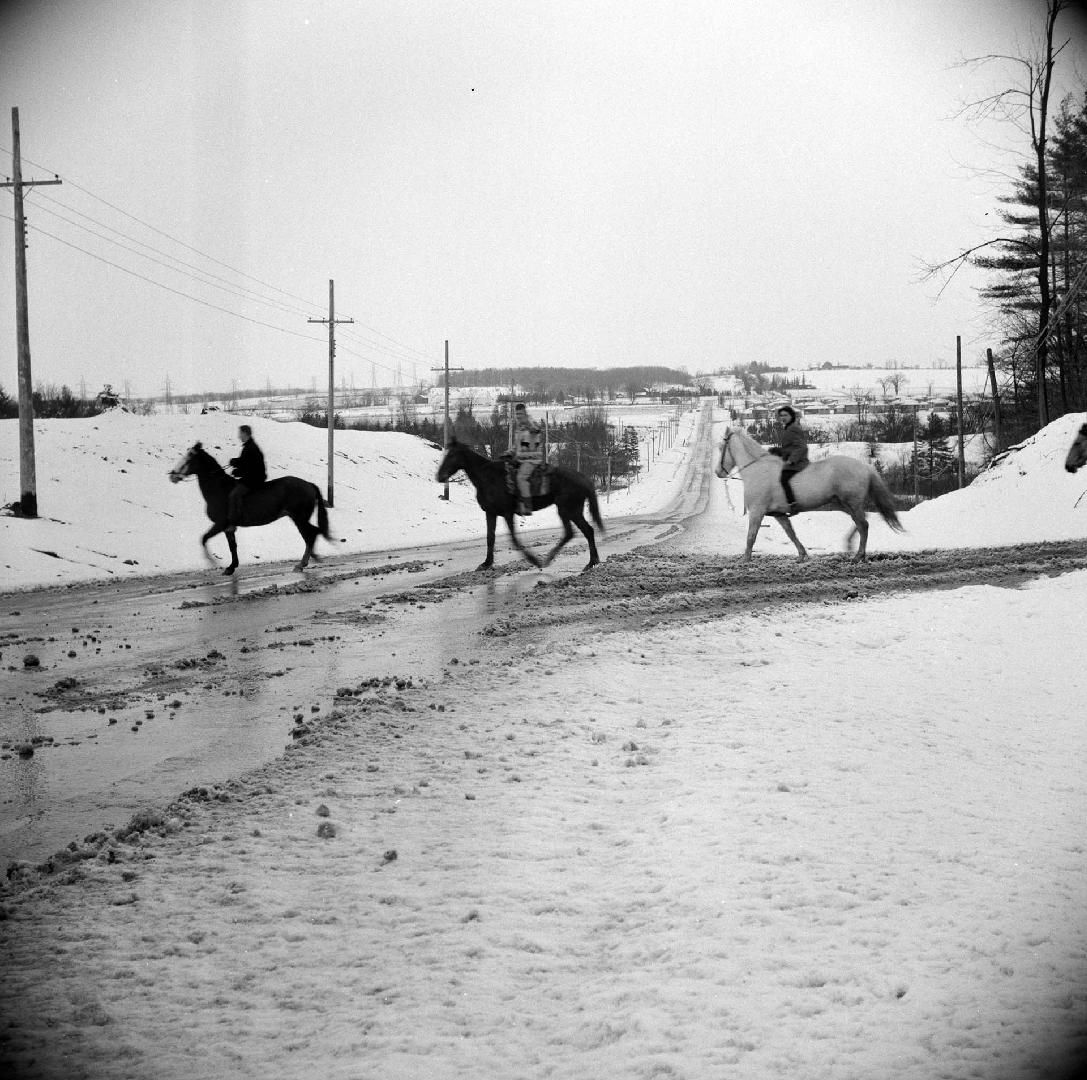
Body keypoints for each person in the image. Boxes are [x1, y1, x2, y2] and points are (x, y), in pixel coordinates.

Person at [226, 424, 267, 527]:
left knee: (234, 494)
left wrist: (237, 472)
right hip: (253, 477)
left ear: (245, 433)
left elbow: (250, 468)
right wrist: (235, 462)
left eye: (240, 433)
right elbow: (245, 462)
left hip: (254, 479)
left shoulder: (250, 448)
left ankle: (237, 519)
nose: (239, 436)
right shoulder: (249, 446)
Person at [511, 403, 545, 515]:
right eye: (516, 414)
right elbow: (517, 446)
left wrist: (530, 426)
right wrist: (510, 452)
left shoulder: (531, 422)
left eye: (520, 413)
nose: (518, 416)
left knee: (521, 477)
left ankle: (527, 506)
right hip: (521, 458)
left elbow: (537, 429)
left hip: (532, 459)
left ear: (525, 413)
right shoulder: (519, 427)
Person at [776, 405, 808, 514]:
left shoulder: (792, 428)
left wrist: (791, 460)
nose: (783, 418)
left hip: (798, 463)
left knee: (783, 479)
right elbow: (789, 447)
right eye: (781, 416)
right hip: (791, 461)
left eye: (785, 415)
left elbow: (802, 447)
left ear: (792, 416)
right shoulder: (788, 428)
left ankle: (793, 504)